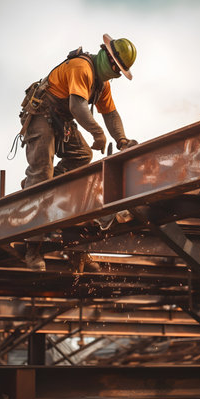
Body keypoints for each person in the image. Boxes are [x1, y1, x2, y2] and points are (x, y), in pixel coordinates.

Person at [18, 33, 138, 270]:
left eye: (119, 70)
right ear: (108, 58)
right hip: (42, 115)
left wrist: (122, 140)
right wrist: (97, 133)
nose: (115, 72)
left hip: (61, 120)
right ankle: (32, 249)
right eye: (115, 66)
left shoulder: (101, 85)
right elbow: (77, 106)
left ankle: (44, 186)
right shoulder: (82, 67)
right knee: (42, 172)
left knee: (83, 156)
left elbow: (111, 115)